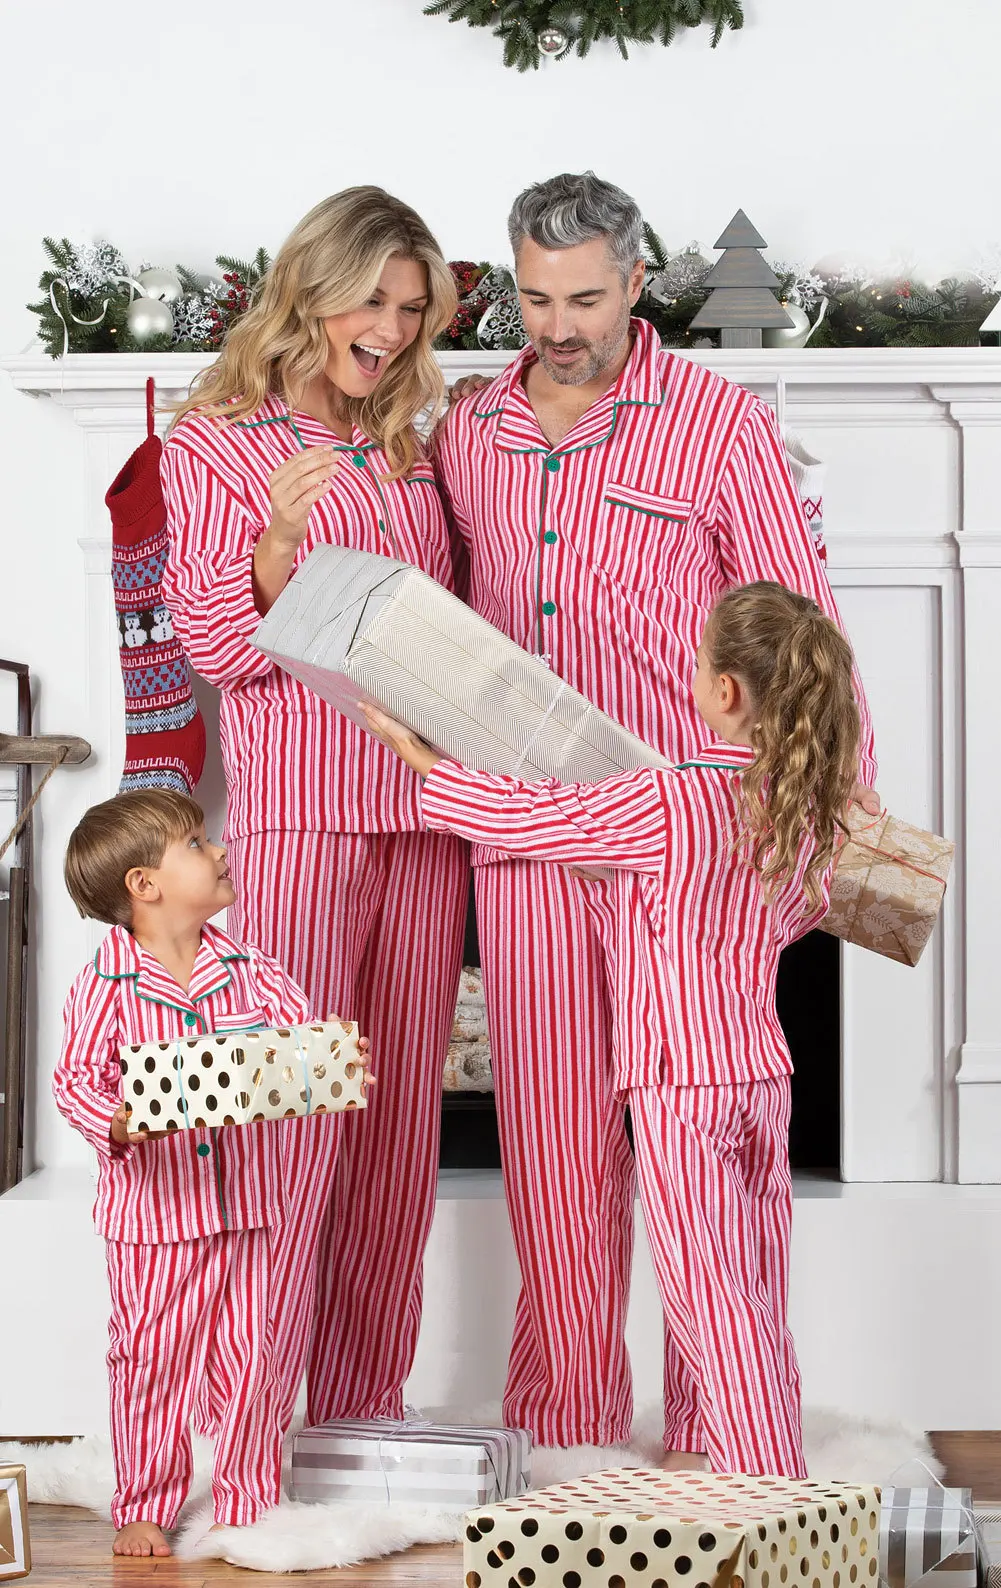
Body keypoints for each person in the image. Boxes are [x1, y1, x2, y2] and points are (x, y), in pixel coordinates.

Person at [433, 170, 878, 1454]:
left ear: (636, 281)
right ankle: (566, 1432)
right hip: (531, 843)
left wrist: (820, 819)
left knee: (697, 1170)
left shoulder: (717, 423)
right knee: (555, 1152)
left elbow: (804, 631)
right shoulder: (472, 431)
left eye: (583, 298)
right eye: (533, 299)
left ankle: (716, 1438)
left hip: (682, 852)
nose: (557, 327)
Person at [361, 580, 860, 1477]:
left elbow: (531, 817)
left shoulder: (668, 799)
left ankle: (765, 1489)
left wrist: (424, 763)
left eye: (697, 664)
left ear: (722, 691)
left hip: (679, 1082)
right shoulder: (803, 814)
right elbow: (792, 915)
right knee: (755, 1287)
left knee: (712, 1300)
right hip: (760, 1076)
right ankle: (761, 1460)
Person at [161, 188, 469, 1430]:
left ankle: (360, 1417)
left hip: (425, 821)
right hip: (300, 824)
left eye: (412, 307)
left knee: (394, 1142)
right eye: (370, 300)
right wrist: (275, 555)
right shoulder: (217, 442)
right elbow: (214, 649)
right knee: (288, 1123)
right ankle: (243, 1431)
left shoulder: (410, 443)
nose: (389, 329)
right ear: (311, 290)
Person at [52, 790, 372, 1557]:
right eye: (197, 844)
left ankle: (246, 1496)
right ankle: (144, 1502)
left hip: (249, 1209)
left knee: (253, 1355)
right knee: (151, 1361)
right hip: (155, 1219)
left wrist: (332, 1057)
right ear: (144, 885)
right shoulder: (106, 984)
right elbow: (75, 1081)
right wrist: (118, 1121)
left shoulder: (251, 970)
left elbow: (298, 1047)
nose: (221, 848)